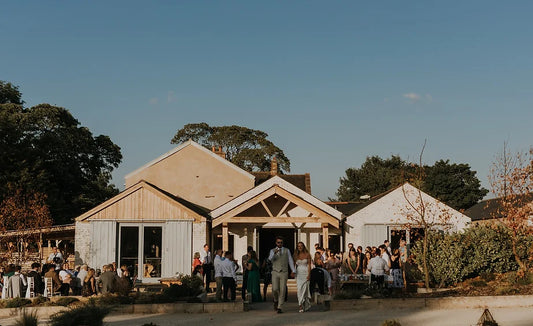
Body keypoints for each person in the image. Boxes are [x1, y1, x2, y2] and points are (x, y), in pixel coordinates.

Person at [268, 236, 295, 314]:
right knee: (275, 289)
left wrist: (293, 270)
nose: (280, 244)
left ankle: (280, 306)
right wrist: (274, 254)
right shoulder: (272, 250)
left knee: (283, 289)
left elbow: (290, 260)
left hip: (284, 271)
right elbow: (269, 260)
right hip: (275, 271)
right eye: (278, 242)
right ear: (276, 243)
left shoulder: (287, 250)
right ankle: (276, 300)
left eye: (281, 242)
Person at [294, 241, 311, 313]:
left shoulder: (307, 254)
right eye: (298, 246)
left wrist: (309, 274)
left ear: (303, 246)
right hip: (298, 273)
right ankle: (300, 304)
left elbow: (309, 265)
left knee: (305, 290)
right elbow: (294, 265)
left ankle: (304, 303)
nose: (300, 247)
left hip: (305, 272)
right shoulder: (295, 255)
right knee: (299, 289)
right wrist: (293, 272)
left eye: (301, 246)